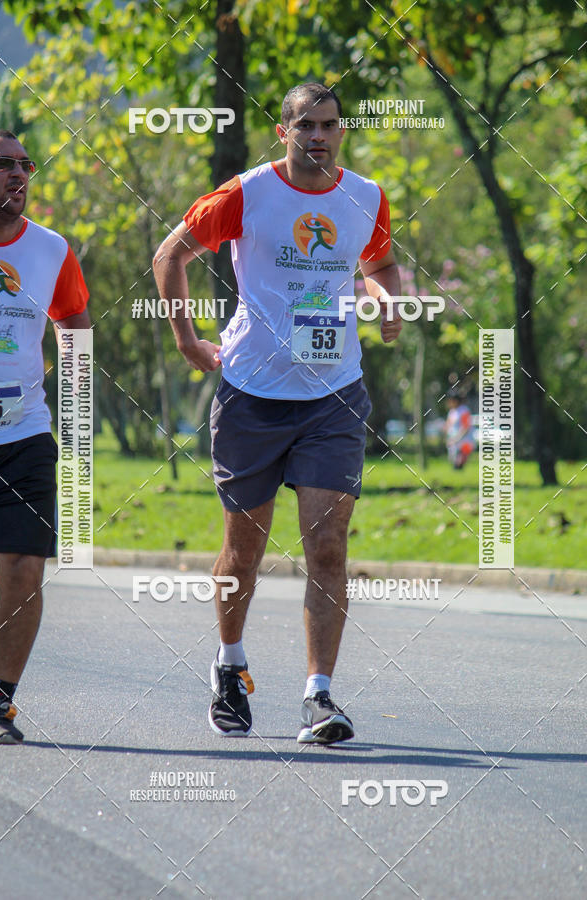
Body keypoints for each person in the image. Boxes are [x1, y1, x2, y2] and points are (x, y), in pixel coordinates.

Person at [153, 83, 402, 743]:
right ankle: (229, 665)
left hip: (334, 396)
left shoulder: (366, 196)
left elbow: (381, 264)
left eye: (329, 125)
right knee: (244, 553)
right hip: (252, 396)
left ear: (341, 132)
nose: (318, 136)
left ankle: (319, 697)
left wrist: (386, 299)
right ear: (283, 131)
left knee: (328, 546)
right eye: (305, 125)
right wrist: (186, 339)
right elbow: (169, 255)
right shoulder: (247, 193)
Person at [0, 130, 90, 743]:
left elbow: (73, 321)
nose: (19, 173)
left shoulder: (51, 250)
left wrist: (75, 412)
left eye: (26, 164)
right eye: (3, 164)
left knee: (24, 568)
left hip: (23, 435)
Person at [445, 389, 475, 469]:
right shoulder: (451, 412)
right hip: (454, 441)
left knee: (459, 462)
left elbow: (466, 427)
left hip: (464, 440)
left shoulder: (463, 411)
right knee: (452, 461)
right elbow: (448, 425)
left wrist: (457, 438)